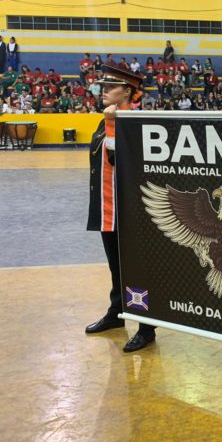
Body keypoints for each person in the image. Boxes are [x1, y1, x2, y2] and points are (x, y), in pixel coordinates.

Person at [85, 63, 157, 353]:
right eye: (102, 86)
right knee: (116, 267)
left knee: (136, 270)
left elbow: (122, 160)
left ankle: (146, 327)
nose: (103, 91)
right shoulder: (107, 119)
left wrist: (113, 124)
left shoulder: (133, 121)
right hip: (107, 206)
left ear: (128, 91)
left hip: (129, 212)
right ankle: (116, 313)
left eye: (110, 87)